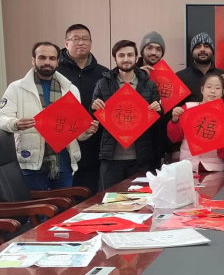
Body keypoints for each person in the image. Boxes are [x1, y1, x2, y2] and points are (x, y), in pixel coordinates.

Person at [0, 42, 98, 191]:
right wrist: (15, 124)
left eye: (52, 58)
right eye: (42, 57)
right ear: (33, 60)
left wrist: (87, 131)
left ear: (57, 61)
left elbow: (76, 133)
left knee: (64, 205)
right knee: (37, 206)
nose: (47, 62)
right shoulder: (16, 88)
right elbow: (2, 118)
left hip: (64, 163)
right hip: (31, 162)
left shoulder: (70, 89)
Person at [91, 40, 163, 191]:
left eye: (130, 55)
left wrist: (158, 109)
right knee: (109, 199)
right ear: (115, 58)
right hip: (111, 158)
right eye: (121, 55)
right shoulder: (103, 84)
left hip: (141, 157)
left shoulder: (149, 85)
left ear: (136, 57)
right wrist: (93, 108)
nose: (126, 59)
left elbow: (157, 120)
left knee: (141, 199)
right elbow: (93, 118)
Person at [56, 24, 108, 196]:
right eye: (76, 39)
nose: (81, 43)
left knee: (92, 193)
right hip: (64, 142)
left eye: (85, 39)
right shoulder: (55, 72)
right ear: (66, 43)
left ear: (91, 43)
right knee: (65, 194)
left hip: (96, 141)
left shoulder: (104, 73)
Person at [168, 74, 224, 172]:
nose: (212, 91)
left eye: (217, 88)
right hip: (188, 165)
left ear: (222, 92)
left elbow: (223, 152)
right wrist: (175, 120)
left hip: (214, 167)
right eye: (209, 87)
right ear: (202, 89)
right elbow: (175, 138)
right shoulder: (187, 108)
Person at [136, 31, 167, 170]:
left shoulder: (168, 78)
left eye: (158, 49)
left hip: (156, 142)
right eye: (149, 48)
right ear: (142, 51)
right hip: (133, 143)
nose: (154, 52)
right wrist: (137, 77)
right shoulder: (128, 72)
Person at [176, 32, 224, 103]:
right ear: (192, 53)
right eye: (197, 47)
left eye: (206, 46)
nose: (202, 49)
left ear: (212, 51)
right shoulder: (179, 77)